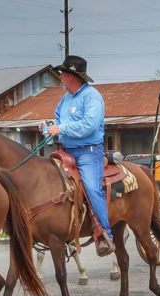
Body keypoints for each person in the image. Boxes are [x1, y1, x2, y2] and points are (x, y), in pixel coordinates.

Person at [45, 55, 114, 257]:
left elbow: (89, 126)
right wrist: (48, 127)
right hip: (65, 151)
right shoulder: (65, 99)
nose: (60, 77)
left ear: (71, 76)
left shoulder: (92, 97)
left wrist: (61, 128)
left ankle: (104, 234)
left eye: (63, 74)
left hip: (88, 151)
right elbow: (57, 119)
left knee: (92, 188)